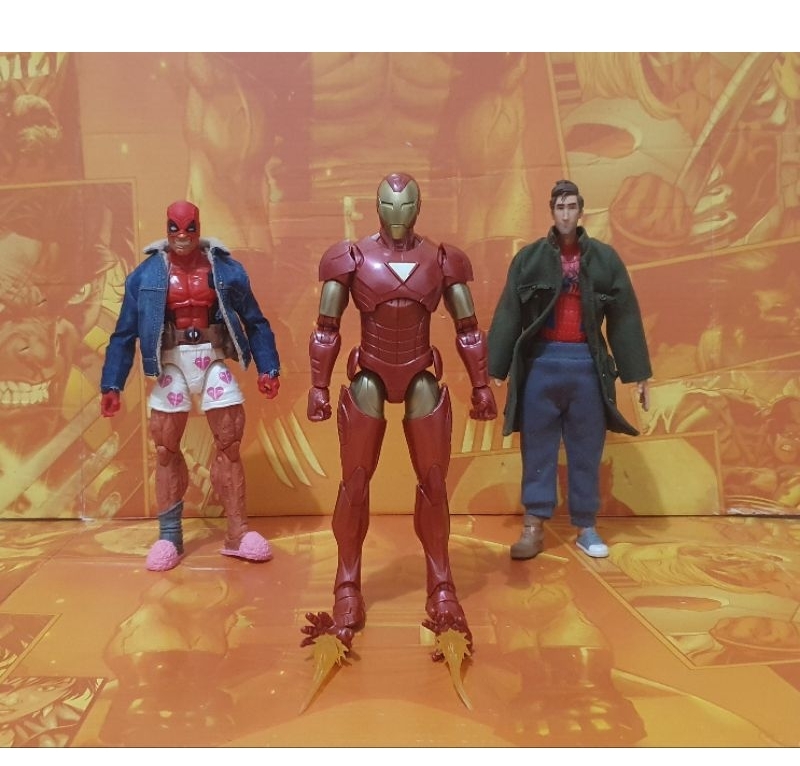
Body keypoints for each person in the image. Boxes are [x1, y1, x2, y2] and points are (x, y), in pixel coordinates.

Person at [304, 172, 497, 647]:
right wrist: (318, 387)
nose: (397, 215)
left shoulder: (442, 259)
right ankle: (347, 585)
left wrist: (481, 385)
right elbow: (326, 327)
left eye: (406, 206)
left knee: (434, 482)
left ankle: (441, 584)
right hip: (369, 373)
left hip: (420, 373)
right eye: (389, 206)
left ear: (418, 208)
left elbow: (469, 328)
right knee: (354, 482)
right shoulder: (352, 258)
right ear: (376, 207)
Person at [99, 200, 281, 571]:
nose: (182, 236)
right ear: (166, 228)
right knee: (165, 447)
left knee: (230, 442)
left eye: (189, 228)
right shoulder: (145, 275)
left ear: (199, 227)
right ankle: (169, 536)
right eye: (175, 228)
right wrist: (112, 384)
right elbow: (124, 333)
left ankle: (237, 532)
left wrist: (268, 367)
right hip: (172, 361)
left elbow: (255, 321)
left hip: (212, 358)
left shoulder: (225, 269)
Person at [488, 179, 651, 560]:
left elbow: (625, 317)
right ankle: (533, 523)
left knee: (586, 448)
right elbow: (509, 311)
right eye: (560, 207)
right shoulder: (528, 259)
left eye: (571, 207)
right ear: (551, 211)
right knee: (537, 447)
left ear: (581, 211)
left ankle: (586, 525)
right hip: (541, 365)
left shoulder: (605, 259)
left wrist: (638, 373)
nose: (565, 214)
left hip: (586, 367)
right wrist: (496, 365)